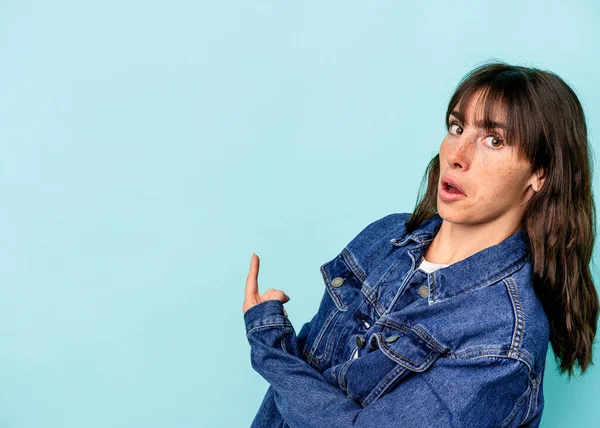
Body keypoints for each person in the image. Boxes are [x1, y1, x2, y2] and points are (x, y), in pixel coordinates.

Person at [241, 61, 599, 427]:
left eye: (494, 140)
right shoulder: (385, 237)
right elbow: (309, 380)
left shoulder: (502, 337)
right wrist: (282, 351)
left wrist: (268, 343)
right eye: (457, 128)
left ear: (540, 174)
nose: (457, 156)